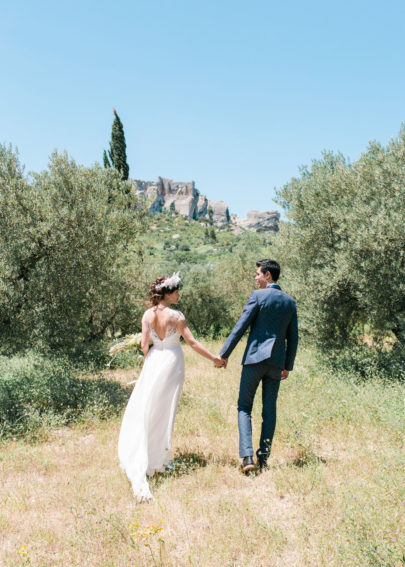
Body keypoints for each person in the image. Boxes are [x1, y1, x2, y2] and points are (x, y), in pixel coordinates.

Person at [118, 272, 224, 501]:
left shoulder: (147, 315)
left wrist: (152, 356)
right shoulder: (176, 316)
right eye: (176, 291)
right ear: (167, 292)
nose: (179, 294)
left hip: (154, 362)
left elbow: (145, 346)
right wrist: (214, 358)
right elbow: (192, 342)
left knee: (149, 409)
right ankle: (159, 459)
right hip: (172, 363)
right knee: (165, 412)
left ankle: (152, 456)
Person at [218, 259, 298, 473]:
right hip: (276, 363)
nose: (255, 278)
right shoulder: (290, 302)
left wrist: (224, 354)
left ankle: (247, 458)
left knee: (244, 407)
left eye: (258, 274)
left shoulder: (258, 297)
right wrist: (287, 366)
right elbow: (293, 338)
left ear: (268, 275)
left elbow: (240, 327)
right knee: (269, 410)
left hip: (254, 360)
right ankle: (263, 458)